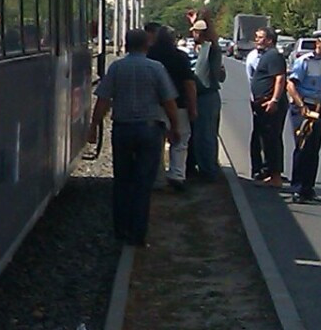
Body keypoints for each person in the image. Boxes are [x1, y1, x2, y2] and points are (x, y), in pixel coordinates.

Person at [91, 27, 181, 247]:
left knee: (122, 181)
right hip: (149, 130)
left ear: (126, 44)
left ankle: (121, 230)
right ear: (147, 44)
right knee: (143, 183)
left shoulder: (116, 68)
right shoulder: (156, 68)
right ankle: (138, 234)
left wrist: (94, 125)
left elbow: (103, 99)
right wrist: (174, 126)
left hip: (123, 129)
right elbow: (169, 101)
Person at [144, 22, 198, 191]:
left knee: (156, 143)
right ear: (173, 40)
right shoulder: (180, 57)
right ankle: (177, 175)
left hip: (153, 106)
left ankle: (157, 178)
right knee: (180, 141)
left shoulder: (149, 56)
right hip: (179, 105)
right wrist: (193, 107)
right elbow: (189, 84)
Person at [286, 36, 321, 203]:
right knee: (303, 146)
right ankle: (297, 189)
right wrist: (301, 105)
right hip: (302, 106)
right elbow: (290, 85)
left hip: (317, 107)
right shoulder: (305, 61)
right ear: (317, 44)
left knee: (314, 148)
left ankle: (308, 189)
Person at [245, 28, 289, 185]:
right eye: (256, 37)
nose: (257, 39)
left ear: (269, 40)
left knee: (272, 140)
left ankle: (275, 176)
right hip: (261, 104)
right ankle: (268, 172)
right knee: (265, 139)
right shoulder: (265, 56)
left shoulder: (274, 56)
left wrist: (274, 100)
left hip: (270, 104)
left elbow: (280, 79)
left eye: (260, 37)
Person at [188, 18, 226, 181]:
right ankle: (206, 167)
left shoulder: (211, 48)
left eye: (195, 32)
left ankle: (208, 170)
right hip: (204, 96)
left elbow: (213, 75)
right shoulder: (204, 48)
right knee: (203, 134)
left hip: (206, 96)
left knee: (205, 135)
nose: (193, 35)